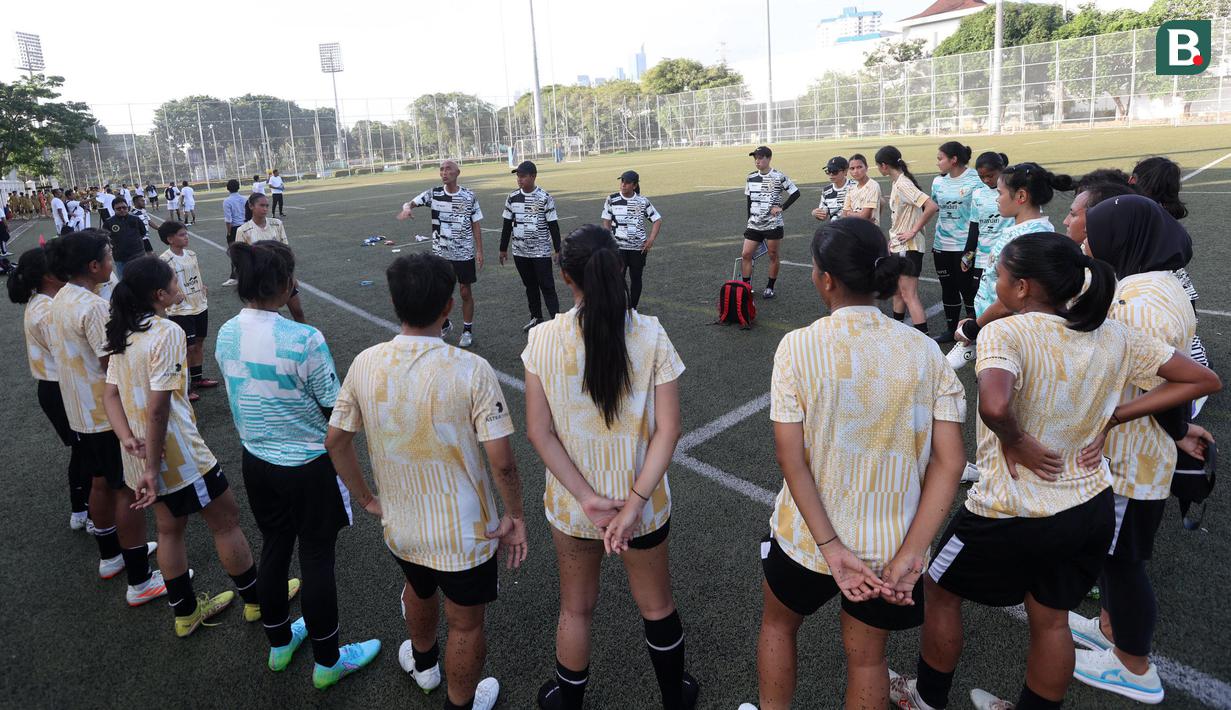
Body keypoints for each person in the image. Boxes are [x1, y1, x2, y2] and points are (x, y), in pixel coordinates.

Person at [890, 233, 1221, 710]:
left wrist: (1018, 441)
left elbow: (996, 403)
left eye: (999, 275)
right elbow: (1201, 379)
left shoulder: (1008, 331)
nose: (994, 283)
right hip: (1089, 506)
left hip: (1010, 509)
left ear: (1022, 287)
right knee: (1052, 620)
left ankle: (925, 698)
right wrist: (1116, 415)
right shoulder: (1115, 332)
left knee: (940, 591)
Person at [739, 218, 965, 710]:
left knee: (779, 624)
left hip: (807, 538)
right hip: (891, 547)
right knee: (867, 660)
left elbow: (789, 457)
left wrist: (831, 546)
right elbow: (951, 463)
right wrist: (911, 552)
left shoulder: (798, 346)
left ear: (825, 279)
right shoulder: (926, 351)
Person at [326, 252, 526, 710]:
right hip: (465, 534)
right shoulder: (471, 369)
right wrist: (515, 514)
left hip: (401, 524)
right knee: (467, 624)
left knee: (417, 587)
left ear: (396, 303)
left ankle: (425, 665)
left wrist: (367, 499)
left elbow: (335, 441)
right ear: (449, 306)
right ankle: (459, 700)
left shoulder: (365, 362)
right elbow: (503, 463)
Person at [523, 225, 698, 710]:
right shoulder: (651, 333)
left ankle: (569, 701)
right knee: (657, 606)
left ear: (564, 276)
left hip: (575, 508)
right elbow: (669, 430)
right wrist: (635, 503)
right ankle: (673, 697)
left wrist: (585, 498)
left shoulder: (542, 339)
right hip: (641, 506)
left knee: (575, 608)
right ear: (619, 268)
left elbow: (540, 432)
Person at [215, 240, 379, 688]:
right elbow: (336, 410)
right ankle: (328, 661)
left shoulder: (227, 331)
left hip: (257, 461)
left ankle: (280, 642)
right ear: (287, 285)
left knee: (274, 546)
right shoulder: (303, 338)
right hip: (307, 465)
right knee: (317, 557)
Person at [1068, 195, 1210, 704]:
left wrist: (1129, 419)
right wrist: (1177, 430)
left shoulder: (1138, 304)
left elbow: (1169, 382)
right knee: (1116, 556)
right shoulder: (1162, 282)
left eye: (1096, 233)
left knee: (1124, 562)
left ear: (1123, 239)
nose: (1086, 240)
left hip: (1131, 459)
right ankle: (1109, 627)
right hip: (1144, 449)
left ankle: (1133, 665)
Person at [101, 256, 273, 637]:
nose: (181, 287)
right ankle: (256, 601)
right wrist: (150, 466)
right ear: (160, 294)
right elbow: (160, 405)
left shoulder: (125, 331)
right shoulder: (167, 332)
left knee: (168, 530)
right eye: (175, 283)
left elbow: (110, 394)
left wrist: (127, 439)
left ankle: (185, 614)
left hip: (140, 453)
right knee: (225, 520)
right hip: (176, 456)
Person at [46, 230, 162, 604]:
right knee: (127, 491)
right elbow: (107, 358)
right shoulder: (93, 307)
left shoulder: (61, 297)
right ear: (94, 265)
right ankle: (141, 582)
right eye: (109, 257)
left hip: (79, 411)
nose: (114, 265)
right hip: (103, 414)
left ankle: (111, 557)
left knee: (99, 481)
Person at [8, 247, 91, 529]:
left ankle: (81, 509)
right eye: (59, 265)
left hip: (60, 386)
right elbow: (67, 350)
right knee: (84, 450)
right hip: (60, 388)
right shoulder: (45, 309)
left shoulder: (47, 301)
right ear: (47, 275)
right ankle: (89, 512)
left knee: (82, 450)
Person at [953, 163, 1072, 354]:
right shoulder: (1025, 231)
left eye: (1000, 193)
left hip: (1012, 333)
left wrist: (973, 328)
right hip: (997, 325)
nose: (997, 199)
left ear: (1021, 196)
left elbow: (1011, 301)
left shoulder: (1028, 239)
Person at [398, 159, 485, 347]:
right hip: (440, 254)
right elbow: (410, 203)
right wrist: (406, 209)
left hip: (463, 253)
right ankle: (445, 324)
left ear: (457, 172)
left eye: (448, 169)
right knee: (437, 292)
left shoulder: (469, 196)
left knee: (464, 291)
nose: (444, 172)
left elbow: (476, 224)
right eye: (441, 170)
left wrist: (479, 250)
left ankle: (467, 331)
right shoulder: (434, 194)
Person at [944, 151, 1012, 370]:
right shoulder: (979, 194)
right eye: (982, 176)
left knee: (1003, 302)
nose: (986, 180)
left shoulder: (1011, 193)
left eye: (990, 175)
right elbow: (975, 226)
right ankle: (979, 346)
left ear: (1001, 170)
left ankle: (1001, 350)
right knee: (978, 299)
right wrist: (968, 254)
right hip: (983, 258)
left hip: (1006, 258)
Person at [875, 145, 938, 333]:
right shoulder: (898, 183)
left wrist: (913, 231)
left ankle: (923, 336)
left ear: (884, 166)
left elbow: (931, 206)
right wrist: (893, 238)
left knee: (909, 294)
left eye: (878, 165)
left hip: (908, 246)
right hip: (899, 245)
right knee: (898, 293)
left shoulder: (903, 184)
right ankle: (898, 331)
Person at [930, 142, 984, 343]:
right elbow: (936, 206)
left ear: (953, 160)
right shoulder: (937, 182)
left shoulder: (975, 180)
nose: (938, 163)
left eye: (940, 158)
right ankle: (951, 329)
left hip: (965, 246)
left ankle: (973, 330)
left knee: (968, 289)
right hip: (941, 244)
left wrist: (972, 248)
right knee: (948, 288)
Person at [159, 220, 219, 401]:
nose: (186, 237)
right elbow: (164, 283)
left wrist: (202, 286)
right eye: (182, 234)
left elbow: (195, 273)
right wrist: (173, 295)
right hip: (180, 310)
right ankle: (184, 387)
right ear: (170, 239)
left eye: (186, 233)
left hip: (199, 305)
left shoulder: (191, 254)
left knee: (199, 343)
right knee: (187, 347)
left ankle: (198, 379)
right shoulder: (164, 259)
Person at [500, 160, 561, 332]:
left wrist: (558, 249)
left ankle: (556, 322)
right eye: (518, 176)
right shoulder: (512, 197)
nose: (519, 179)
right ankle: (536, 318)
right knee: (530, 286)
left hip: (540, 252)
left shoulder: (544, 197)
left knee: (547, 286)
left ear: (533, 176)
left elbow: (553, 226)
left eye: (522, 176)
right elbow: (506, 224)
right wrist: (503, 248)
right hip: (520, 252)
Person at [235, 194, 305, 323]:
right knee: (269, 318)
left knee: (298, 312)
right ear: (251, 206)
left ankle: (306, 340)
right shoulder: (243, 230)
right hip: (261, 281)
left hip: (282, 277)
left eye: (267, 205)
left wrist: (291, 277)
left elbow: (286, 252)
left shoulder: (277, 224)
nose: (265, 209)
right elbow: (242, 261)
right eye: (261, 205)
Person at [741, 146, 800, 299]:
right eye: (756, 158)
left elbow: (795, 192)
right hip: (754, 224)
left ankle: (770, 287)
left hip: (773, 225)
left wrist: (782, 207)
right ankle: (746, 286)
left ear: (769, 158)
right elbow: (749, 200)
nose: (757, 161)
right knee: (746, 254)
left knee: (773, 255)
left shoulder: (779, 176)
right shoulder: (751, 177)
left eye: (760, 158)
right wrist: (749, 220)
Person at [600, 169, 662, 311]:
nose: (623, 184)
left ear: (634, 186)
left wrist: (651, 240)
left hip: (638, 249)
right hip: (618, 248)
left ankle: (632, 309)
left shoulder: (642, 201)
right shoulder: (612, 199)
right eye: (622, 181)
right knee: (617, 279)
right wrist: (609, 239)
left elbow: (657, 219)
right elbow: (606, 220)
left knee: (636, 279)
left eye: (627, 183)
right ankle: (619, 306)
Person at [103, 199, 153, 279]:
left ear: (128, 207)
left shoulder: (136, 219)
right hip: (120, 259)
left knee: (143, 280)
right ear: (114, 209)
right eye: (118, 208)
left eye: (124, 207)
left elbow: (143, 233)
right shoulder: (109, 223)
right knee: (124, 283)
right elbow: (106, 239)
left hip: (138, 256)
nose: (122, 210)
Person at [839, 154, 880, 225]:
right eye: (852, 168)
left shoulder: (872, 185)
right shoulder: (851, 188)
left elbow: (864, 216)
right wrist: (852, 214)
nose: (856, 171)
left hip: (869, 231)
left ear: (866, 168)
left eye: (859, 167)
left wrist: (849, 213)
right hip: (853, 230)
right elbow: (844, 214)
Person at [811, 156, 853, 223]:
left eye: (834, 171)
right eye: (828, 171)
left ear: (845, 171)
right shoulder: (826, 191)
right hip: (835, 229)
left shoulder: (856, 187)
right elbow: (823, 216)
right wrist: (816, 213)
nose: (831, 174)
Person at [222, 179, 246, 286]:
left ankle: (234, 277)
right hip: (246, 227)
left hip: (235, 229)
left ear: (227, 188)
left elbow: (228, 220)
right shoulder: (245, 199)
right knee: (248, 251)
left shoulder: (227, 201)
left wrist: (229, 232)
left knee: (234, 254)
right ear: (238, 187)